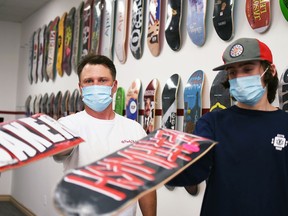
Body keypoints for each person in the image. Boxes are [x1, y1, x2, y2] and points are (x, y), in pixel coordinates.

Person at [168, 37, 288, 215]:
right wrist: (161, 165)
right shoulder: (212, 123)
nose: (239, 78)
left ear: (270, 70)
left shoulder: (284, 123)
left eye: (248, 69)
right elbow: (193, 171)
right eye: (232, 73)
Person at [54, 54, 157, 216]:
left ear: (114, 86)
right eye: (89, 81)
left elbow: (146, 184)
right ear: (80, 87)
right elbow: (59, 153)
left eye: (102, 80)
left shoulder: (134, 129)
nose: (96, 86)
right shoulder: (68, 125)